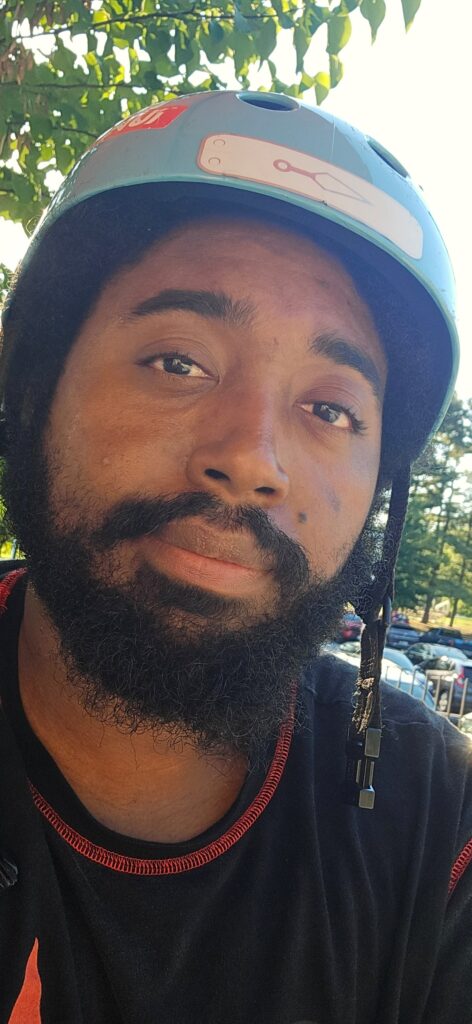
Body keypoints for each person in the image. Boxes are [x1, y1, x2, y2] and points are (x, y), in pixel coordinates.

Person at [0, 90, 469, 1024]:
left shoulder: (435, 823)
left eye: (331, 409)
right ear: (35, 389)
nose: (253, 458)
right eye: (179, 360)